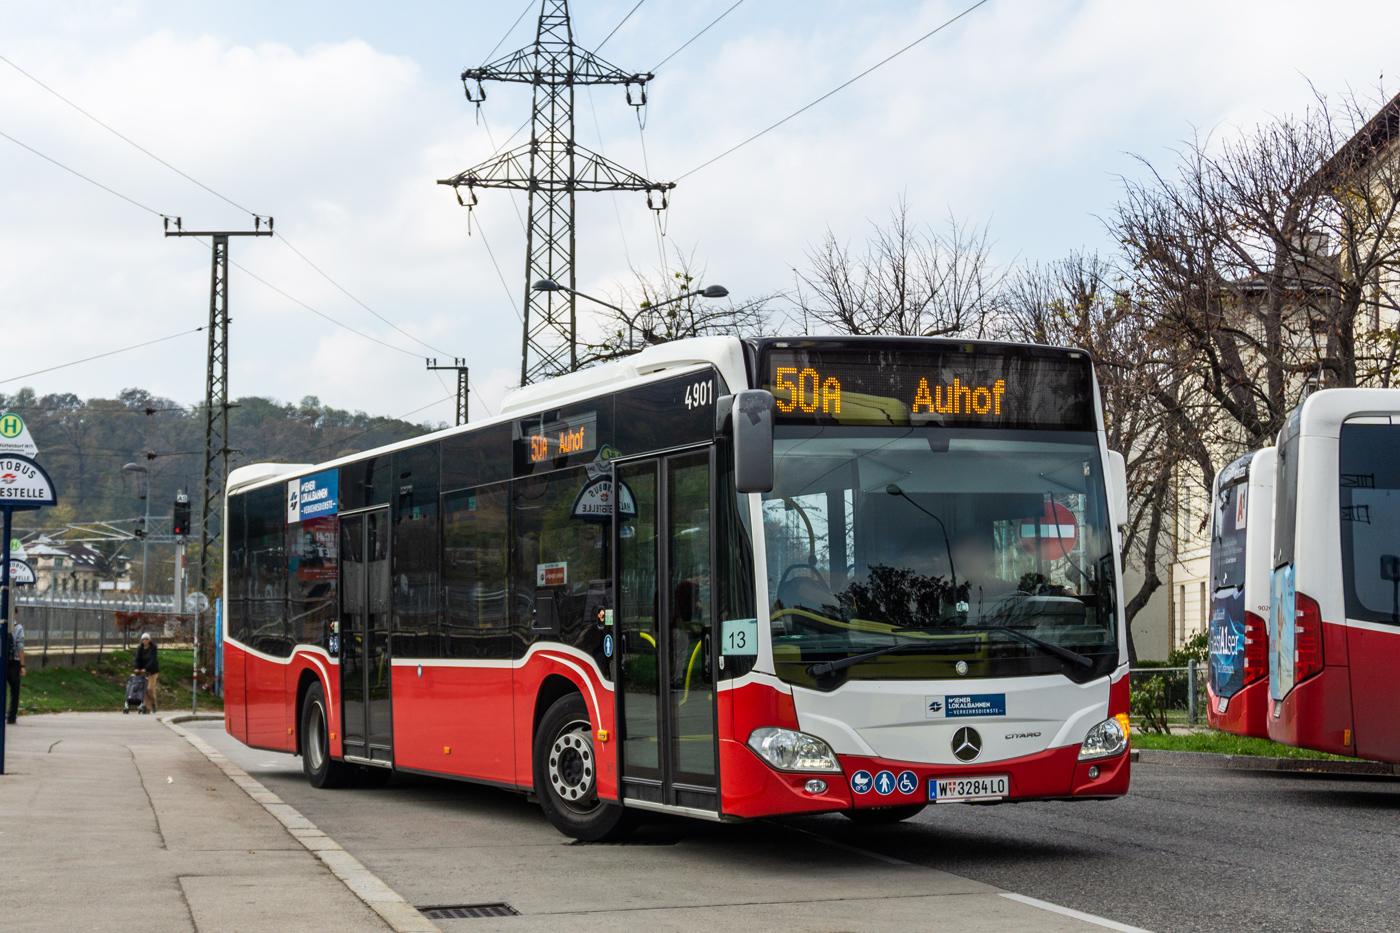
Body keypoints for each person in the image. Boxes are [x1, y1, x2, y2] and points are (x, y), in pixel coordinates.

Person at [133, 632, 160, 714]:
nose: (145, 641)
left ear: (149, 640)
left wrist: (146, 668)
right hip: (143, 672)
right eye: (143, 639)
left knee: (150, 688)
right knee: (144, 690)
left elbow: (153, 660)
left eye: (146, 639)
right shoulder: (140, 649)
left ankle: (153, 703)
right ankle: (146, 707)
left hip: (152, 671)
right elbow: (137, 659)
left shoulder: (153, 648)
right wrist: (136, 667)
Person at [5, 620, 24, 724]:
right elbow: (20, 647)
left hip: (1, 661)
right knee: (14, 690)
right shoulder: (18, 627)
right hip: (14, 662)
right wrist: (22, 665)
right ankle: (11, 716)